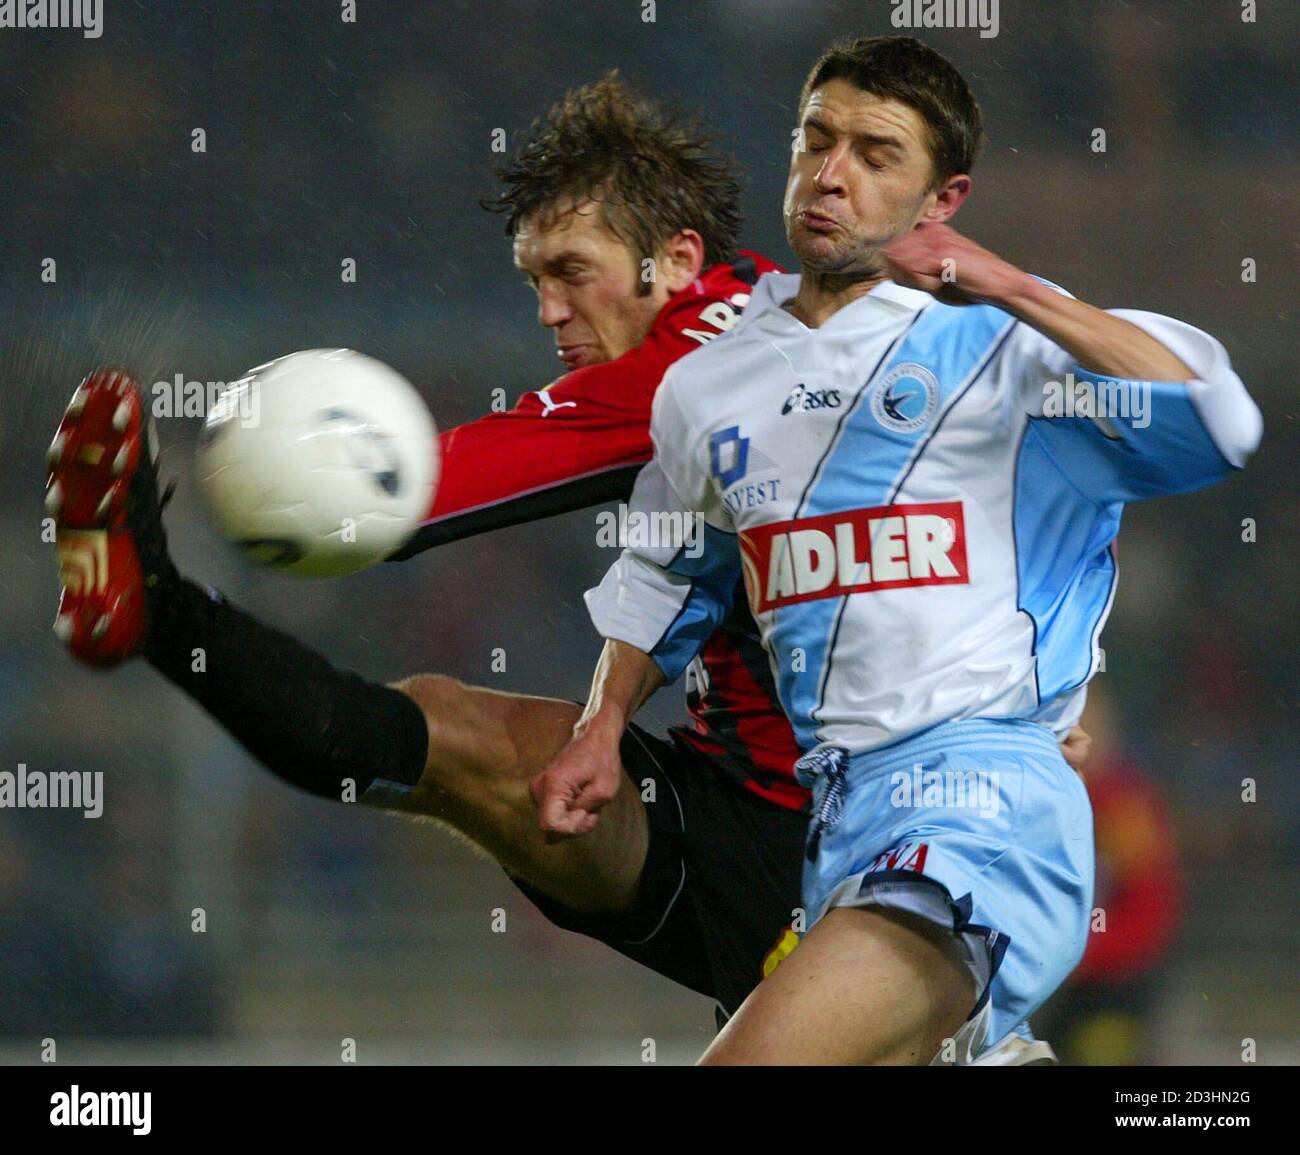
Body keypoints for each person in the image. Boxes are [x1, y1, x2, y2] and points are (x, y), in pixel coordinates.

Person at [48, 72, 1079, 1056]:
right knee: (455, 734)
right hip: (727, 804)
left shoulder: (708, 360)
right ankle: (156, 610)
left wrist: (241, 460)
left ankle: (161, 608)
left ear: (674, 262)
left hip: (847, 842)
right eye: (533, 280)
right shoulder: (780, 333)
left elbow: (399, 500)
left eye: (569, 274)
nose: (547, 311)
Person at [533, 36, 1262, 1065]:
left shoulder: (1006, 352)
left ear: (941, 198)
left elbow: (1218, 420)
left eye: (875, 154)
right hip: (840, 820)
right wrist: (602, 721)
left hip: (986, 805)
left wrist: (1008, 283)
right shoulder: (709, 385)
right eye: (816, 140)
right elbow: (671, 569)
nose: (831, 173)